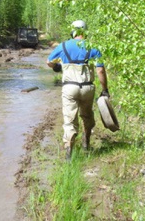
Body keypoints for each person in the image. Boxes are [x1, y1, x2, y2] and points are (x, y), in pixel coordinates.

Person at [46, 20, 109, 161]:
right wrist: (105, 89)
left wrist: (57, 67)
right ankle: (86, 143)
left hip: (69, 88)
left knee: (70, 120)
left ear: (73, 31)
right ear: (85, 31)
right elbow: (100, 70)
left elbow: (49, 61)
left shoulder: (63, 46)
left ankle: (69, 154)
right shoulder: (93, 47)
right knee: (87, 116)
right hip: (87, 87)